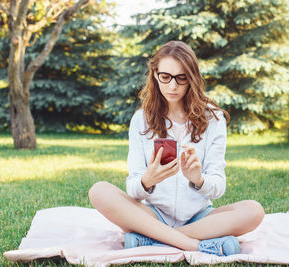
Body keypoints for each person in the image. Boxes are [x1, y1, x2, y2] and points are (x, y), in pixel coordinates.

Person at [89, 41, 264, 256]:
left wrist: (198, 179)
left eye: (181, 78)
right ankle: (193, 245)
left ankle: (153, 240)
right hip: (152, 215)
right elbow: (133, 188)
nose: (172, 86)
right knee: (99, 191)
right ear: (155, 74)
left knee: (254, 211)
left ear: (192, 78)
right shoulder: (140, 120)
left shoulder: (214, 119)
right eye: (166, 77)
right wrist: (147, 181)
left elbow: (218, 186)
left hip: (199, 218)